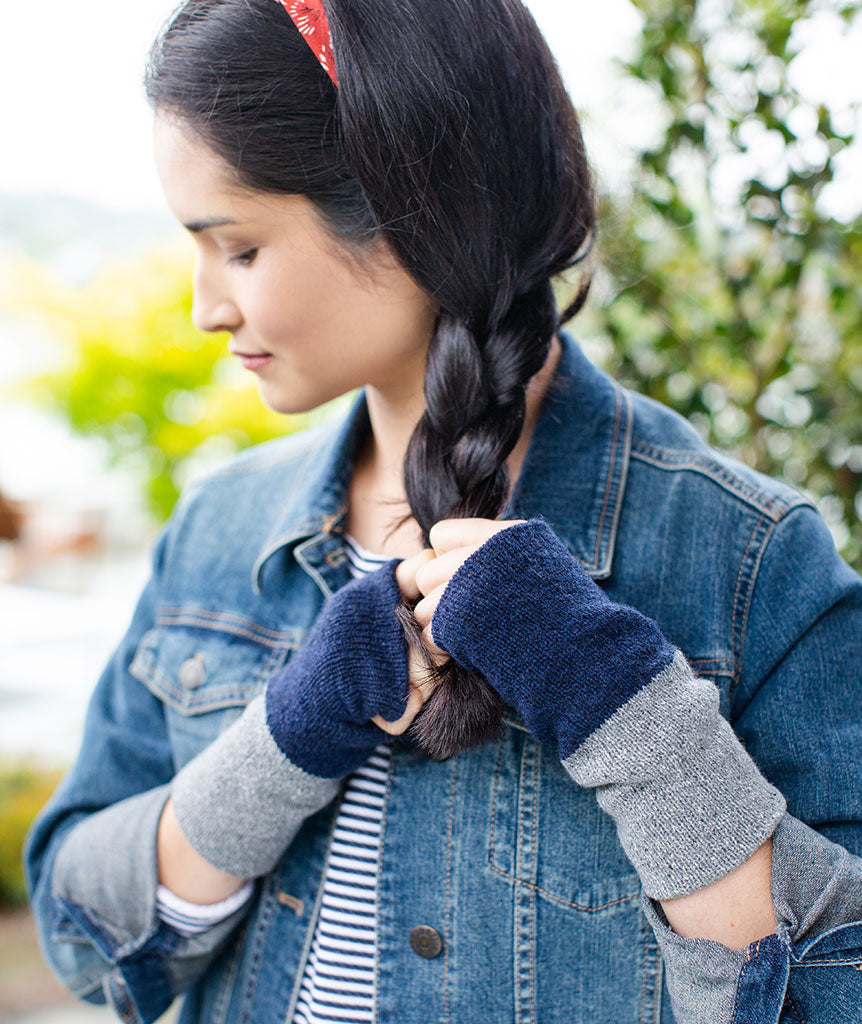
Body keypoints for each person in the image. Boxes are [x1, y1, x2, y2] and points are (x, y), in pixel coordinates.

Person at [24, 1, 862, 1022]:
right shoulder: (218, 532)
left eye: (239, 248)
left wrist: (630, 716)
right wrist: (280, 740)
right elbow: (83, 937)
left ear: (418, 211)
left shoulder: (749, 561)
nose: (207, 305)